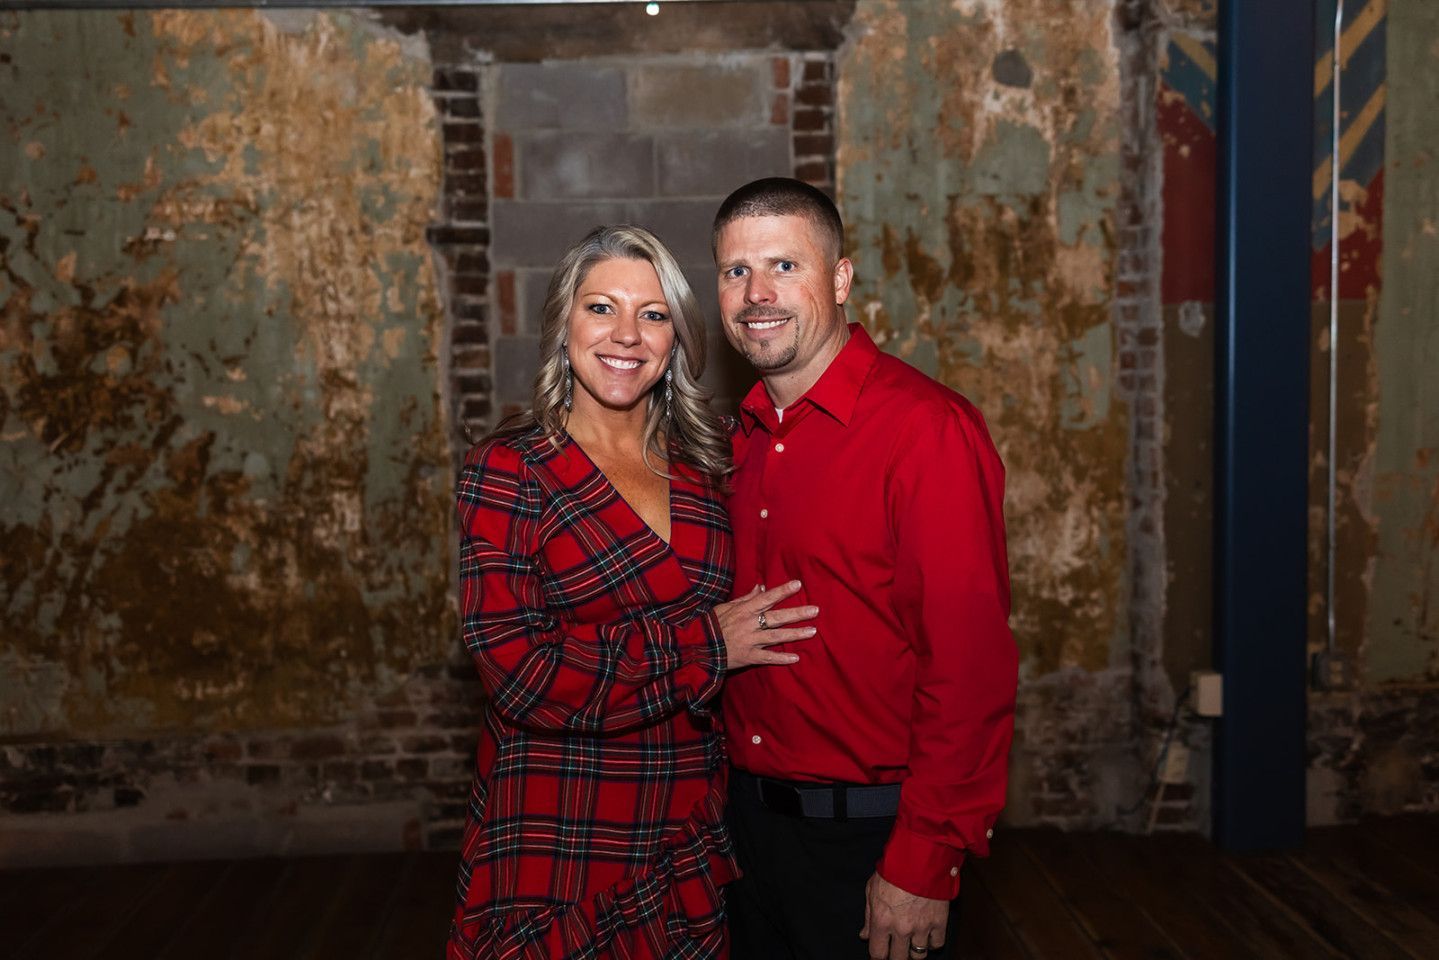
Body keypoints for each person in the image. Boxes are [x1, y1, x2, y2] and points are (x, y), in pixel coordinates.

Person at [445, 224, 815, 960]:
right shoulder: (511, 470)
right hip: (560, 821)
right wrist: (706, 644)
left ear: (676, 338)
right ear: (563, 325)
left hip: (687, 818)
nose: (626, 335)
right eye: (600, 308)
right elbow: (520, 675)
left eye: (652, 315)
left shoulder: (706, 458)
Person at [712, 179, 1018, 960]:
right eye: (734, 271)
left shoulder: (926, 432)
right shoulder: (736, 438)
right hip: (742, 836)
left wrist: (923, 861)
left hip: (869, 843)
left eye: (784, 265)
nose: (756, 294)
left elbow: (970, 671)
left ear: (840, 279)